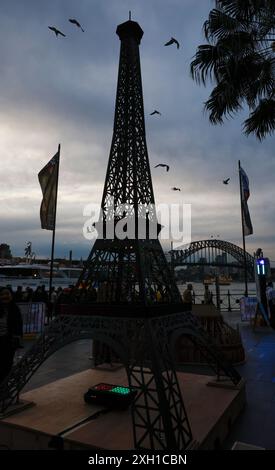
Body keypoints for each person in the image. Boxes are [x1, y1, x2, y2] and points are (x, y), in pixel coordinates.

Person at [0, 287, 23, 384]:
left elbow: (19, 324)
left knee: (7, 364)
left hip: (8, 341)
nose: (5, 296)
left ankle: (4, 385)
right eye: (2, 294)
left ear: (11, 295)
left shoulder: (15, 309)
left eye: (7, 294)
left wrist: (17, 338)